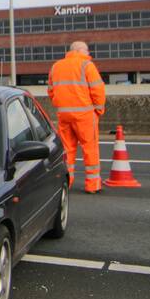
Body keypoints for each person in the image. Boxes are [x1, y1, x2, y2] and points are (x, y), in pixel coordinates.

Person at [47, 41, 105, 193]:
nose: (89, 54)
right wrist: (98, 110)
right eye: (87, 51)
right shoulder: (87, 65)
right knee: (90, 149)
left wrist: (62, 105)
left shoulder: (56, 66)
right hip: (85, 115)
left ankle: (67, 182)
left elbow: (51, 92)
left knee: (67, 150)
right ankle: (93, 185)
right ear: (81, 51)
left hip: (64, 115)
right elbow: (98, 90)